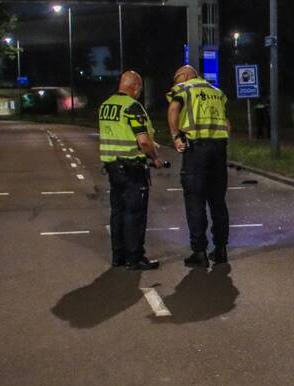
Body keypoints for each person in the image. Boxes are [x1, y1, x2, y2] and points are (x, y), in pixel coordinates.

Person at [98, 70, 164, 271]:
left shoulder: (105, 106)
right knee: (134, 213)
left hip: (112, 167)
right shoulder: (133, 107)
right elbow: (143, 140)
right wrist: (155, 157)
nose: (140, 93)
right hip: (132, 168)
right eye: (140, 89)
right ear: (135, 87)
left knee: (117, 211)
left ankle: (118, 256)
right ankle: (135, 257)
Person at [167, 65, 231, 267]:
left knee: (195, 200)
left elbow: (173, 109)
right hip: (219, 150)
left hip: (197, 151)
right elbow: (227, 124)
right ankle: (221, 249)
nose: (176, 83)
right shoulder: (217, 92)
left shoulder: (184, 88)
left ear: (185, 76)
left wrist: (176, 136)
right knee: (218, 200)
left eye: (177, 78)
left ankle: (199, 251)